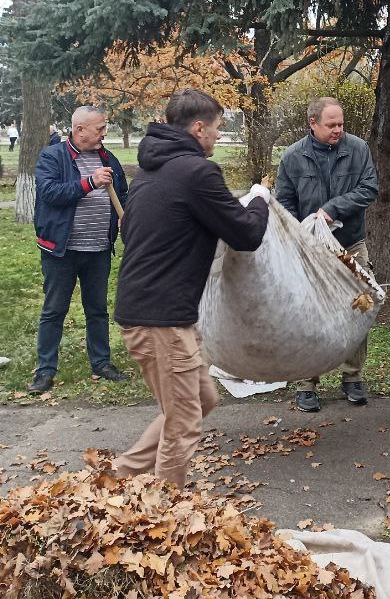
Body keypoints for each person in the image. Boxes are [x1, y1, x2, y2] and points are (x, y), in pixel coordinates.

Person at [112, 89, 270, 488]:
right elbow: (247, 233)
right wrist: (259, 199)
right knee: (183, 423)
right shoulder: (197, 172)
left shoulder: (150, 169)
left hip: (157, 312)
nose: (218, 136)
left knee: (201, 401)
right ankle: (166, 519)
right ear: (199, 128)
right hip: (160, 320)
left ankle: (116, 479)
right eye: (217, 128)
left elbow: (129, 231)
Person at [275, 96, 379, 413]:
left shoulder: (358, 149)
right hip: (312, 252)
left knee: (359, 308)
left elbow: (369, 188)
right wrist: (299, 234)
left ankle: (353, 378)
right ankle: (307, 384)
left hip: (351, 245)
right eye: (331, 125)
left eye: (341, 124)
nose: (338, 130)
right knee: (309, 314)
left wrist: (333, 209)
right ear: (313, 124)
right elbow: (285, 201)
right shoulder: (293, 157)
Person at [29, 106, 130, 393]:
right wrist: (90, 182)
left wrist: (127, 214)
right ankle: (45, 371)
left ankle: (102, 363)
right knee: (54, 310)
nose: (104, 132)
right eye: (99, 128)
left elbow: (123, 193)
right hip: (61, 250)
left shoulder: (107, 158)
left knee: (97, 309)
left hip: (97, 248)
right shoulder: (53, 157)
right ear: (80, 129)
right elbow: (49, 193)